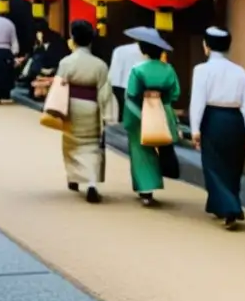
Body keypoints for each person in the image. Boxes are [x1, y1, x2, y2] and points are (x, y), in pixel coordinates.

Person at [189, 27, 245, 230]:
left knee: (213, 165)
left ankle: (230, 208)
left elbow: (198, 101)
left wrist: (195, 129)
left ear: (207, 46)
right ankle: (220, 205)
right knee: (232, 165)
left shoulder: (202, 70)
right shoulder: (239, 71)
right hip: (235, 120)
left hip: (213, 119)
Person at [122, 27, 181, 207]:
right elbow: (175, 93)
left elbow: (132, 93)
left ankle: (146, 190)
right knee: (161, 144)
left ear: (143, 49)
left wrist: (134, 115)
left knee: (141, 150)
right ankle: (154, 183)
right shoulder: (168, 69)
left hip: (141, 110)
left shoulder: (137, 69)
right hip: (162, 109)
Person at [57, 20, 113, 203]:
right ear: (91, 40)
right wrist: (107, 114)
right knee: (92, 146)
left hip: (70, 106)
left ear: (73, 39)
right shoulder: (100, 65)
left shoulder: (66, 62)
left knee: (72, 145)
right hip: (91, 106)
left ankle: (73, 178)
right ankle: (91, 183)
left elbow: (59, 86)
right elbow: (105, 92)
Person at [109, 37, 144, 117]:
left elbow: (113, 73)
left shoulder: (119, 50)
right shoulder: (146, 53)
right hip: (137, 88)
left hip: (119, 86)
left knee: (120, 113)